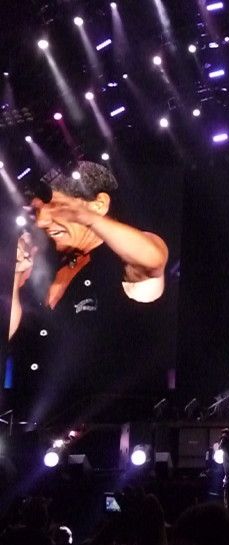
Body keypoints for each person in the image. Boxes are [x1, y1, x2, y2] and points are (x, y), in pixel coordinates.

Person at [8, 160, 170, 422]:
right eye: (37, 212)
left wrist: (87, 219)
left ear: (99, 205)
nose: (42, 222)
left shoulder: (123, 261)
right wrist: (14, 276)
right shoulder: (45, 263)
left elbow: (153, 259)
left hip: (106, 430)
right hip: (25, 421)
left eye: (56, 208)